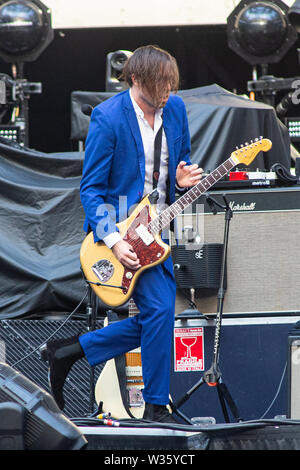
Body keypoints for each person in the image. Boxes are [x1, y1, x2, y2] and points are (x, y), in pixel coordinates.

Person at [41, 45, 203, 423]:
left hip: (158, 234)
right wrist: (114, 240)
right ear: (135, 79)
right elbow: (91, 190)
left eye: (170, 84)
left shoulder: (175, 109)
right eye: (158, 84)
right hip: (119, 235)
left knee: (159, 315)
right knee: (160, 314)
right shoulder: (109, 117)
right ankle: (156, 407)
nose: (166, 91)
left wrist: (181, 179)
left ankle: (70, 352)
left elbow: (183, 163)